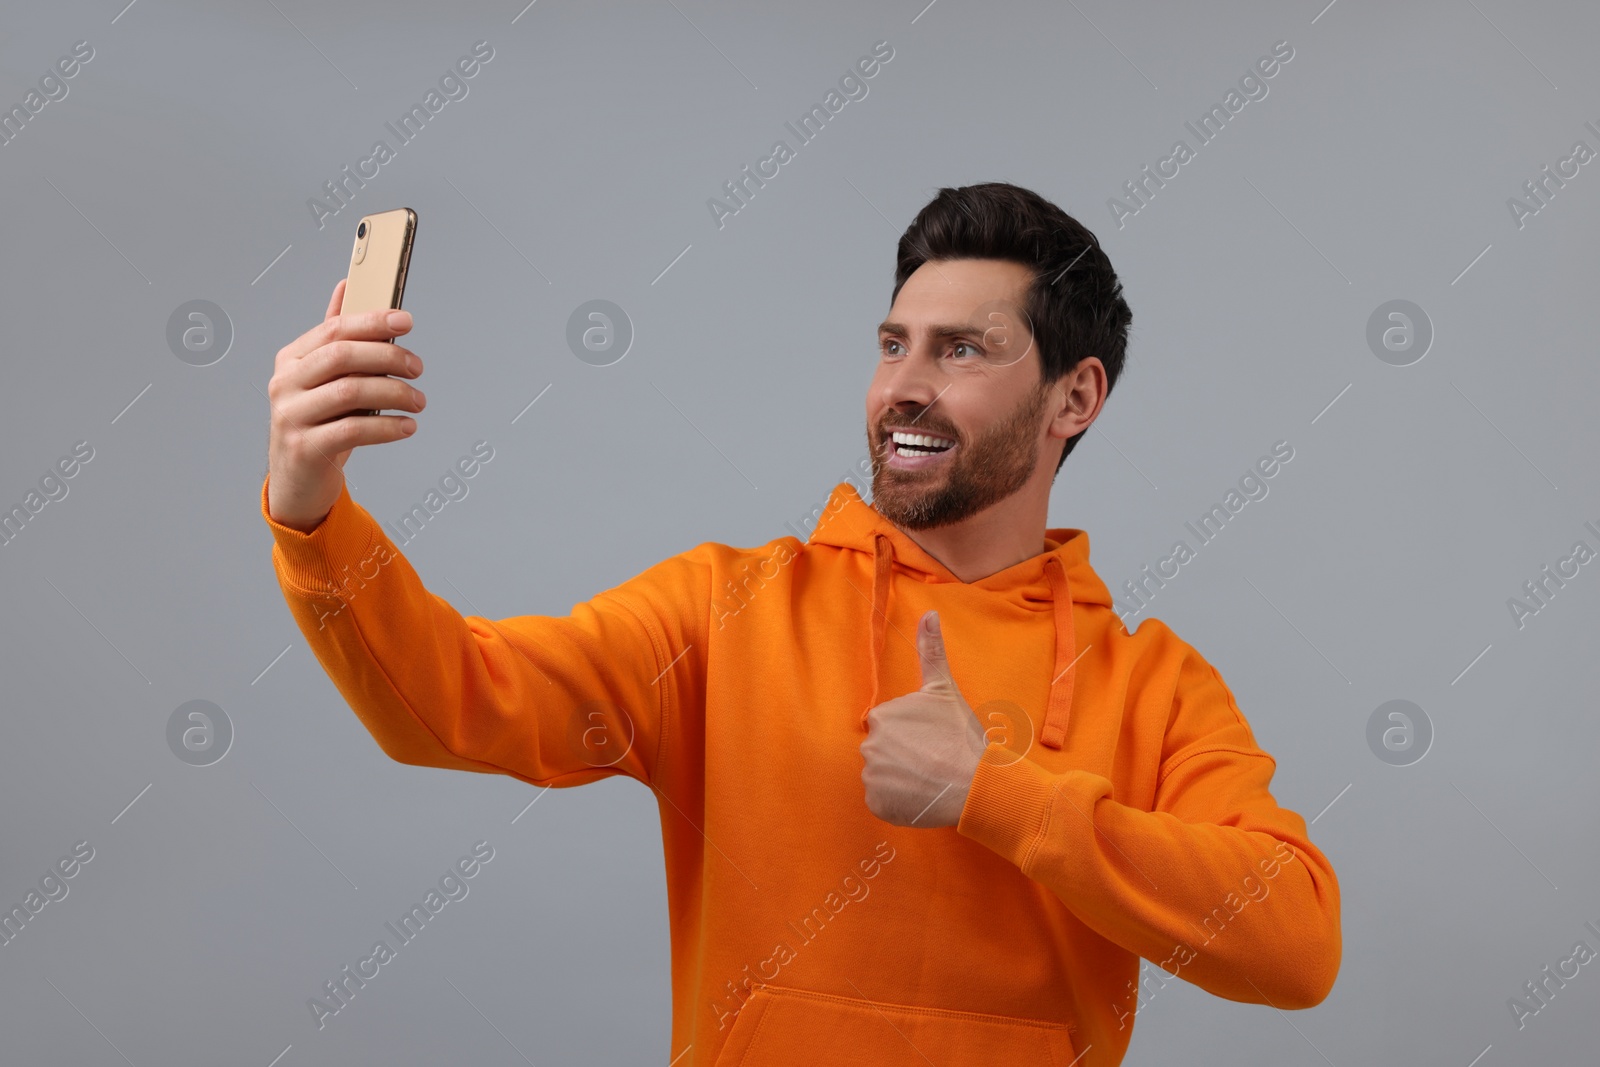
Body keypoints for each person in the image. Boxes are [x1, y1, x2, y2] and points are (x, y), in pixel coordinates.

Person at [261, 182, 1339, 1065]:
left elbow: (1293, 945)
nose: (903, 389)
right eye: (892, 345)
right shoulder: (725, 610)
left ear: (1074, 396)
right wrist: (313, 511)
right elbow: (450, 703)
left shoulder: (1153, 683)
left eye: (962, 350)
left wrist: (996, 796)